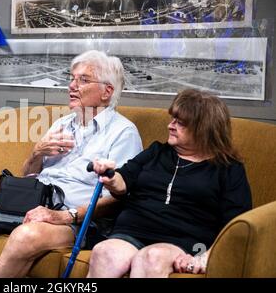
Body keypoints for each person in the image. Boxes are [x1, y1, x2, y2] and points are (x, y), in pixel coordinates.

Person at [0, 50, 143, 278]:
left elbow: (118, 199)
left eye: (83, 80)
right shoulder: (63, 123)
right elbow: (26, 174)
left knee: (26, 235)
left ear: (107, 91)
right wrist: (36, 153)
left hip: (75, 222)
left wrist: (61, 216)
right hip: (33, 204)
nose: (72, 86)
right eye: (72, 78)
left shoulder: (123, 133)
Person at [87, 89, 252, 278]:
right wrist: (110, 177)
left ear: (204, 129)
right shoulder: (157, 151)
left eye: (180, 123)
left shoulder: (228, 168)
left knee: (151, 258)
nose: (170, 125)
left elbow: (235, 223)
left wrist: (206, 256)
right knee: (104, 253)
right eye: (173, 119)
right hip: (132, 232)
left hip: (184, 240)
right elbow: (123, 180)